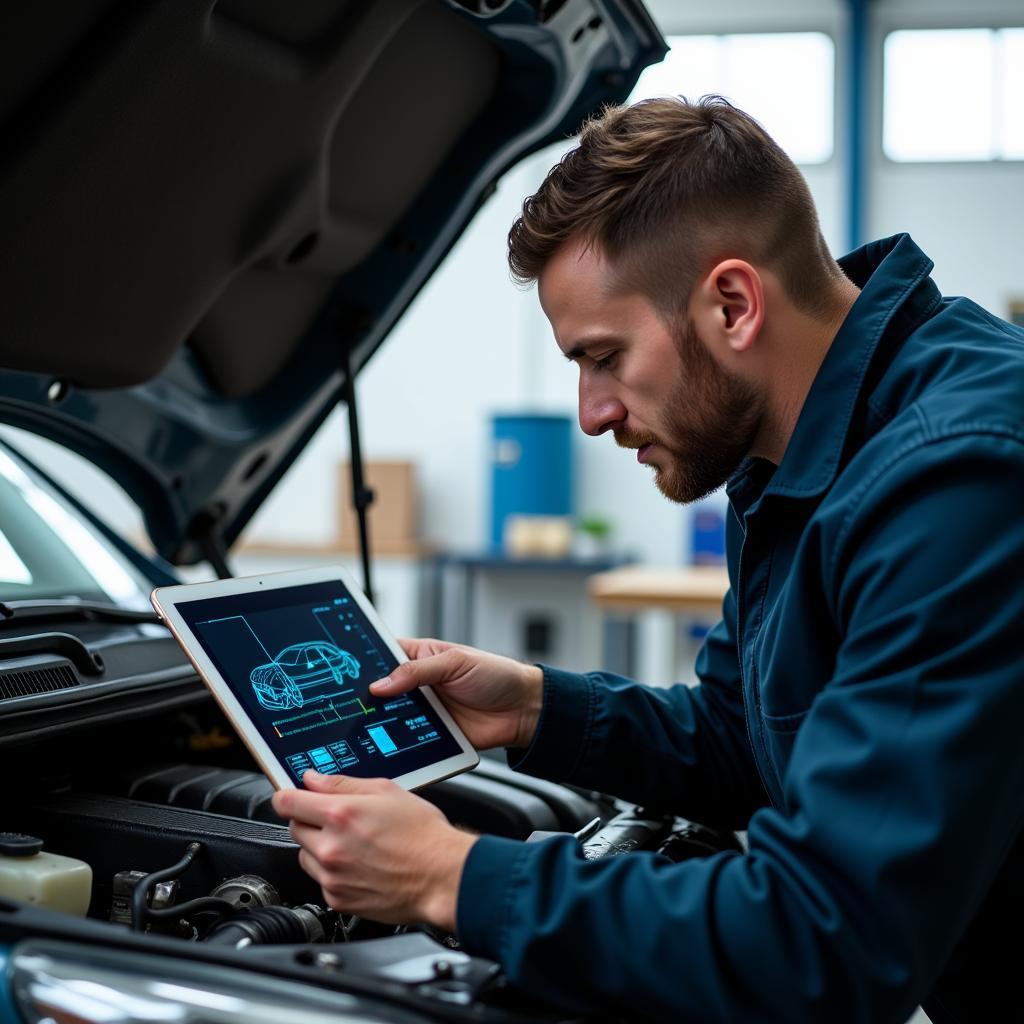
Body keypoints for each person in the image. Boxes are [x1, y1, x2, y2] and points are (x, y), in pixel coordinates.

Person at [273, 96, 1024, 1023]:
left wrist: (449, 874)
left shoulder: (957, 476)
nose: (590, 412)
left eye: (605, 357)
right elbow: (749, 737)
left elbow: (825, 941)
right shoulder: (799, 445)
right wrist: (537, 705)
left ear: (733, 304)